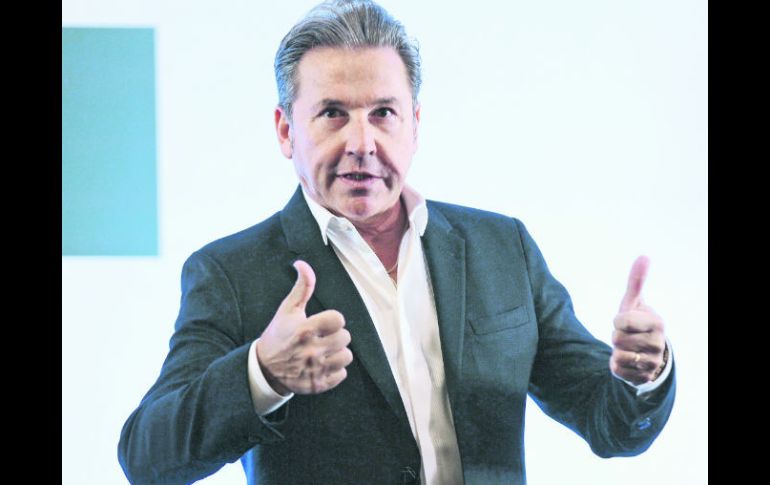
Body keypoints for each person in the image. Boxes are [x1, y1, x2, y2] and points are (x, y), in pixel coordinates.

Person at [117, 1, 675, 484]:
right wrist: (261, 373)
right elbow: (147, 457)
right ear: (286, 130)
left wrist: (644, 376)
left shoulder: (503, 248)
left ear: (415, 124)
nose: (362, 142)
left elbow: (609, 421)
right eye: (332, 114)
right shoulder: (231, 273)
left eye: (383, 113)